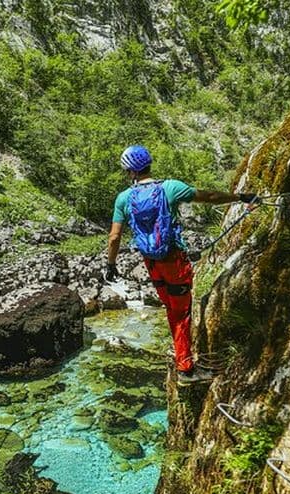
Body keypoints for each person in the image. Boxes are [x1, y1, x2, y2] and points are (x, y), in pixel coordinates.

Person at [105, 145, 258, 386]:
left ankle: (180, 350)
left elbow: (114, 237)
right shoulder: (170, 188)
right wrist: (240, 197)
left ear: (130, 172)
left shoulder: (123, 198)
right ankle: (186, 368)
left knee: (171, 307)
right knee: (181, 311)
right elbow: (208, 197)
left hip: (152, 263)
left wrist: (111, 264)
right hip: (174, 260)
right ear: (149, 164)